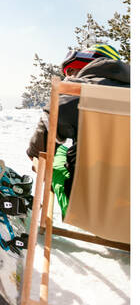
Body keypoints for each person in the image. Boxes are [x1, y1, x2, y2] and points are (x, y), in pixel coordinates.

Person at [26, 40, 129, 212]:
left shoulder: (78, 93)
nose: (71, 77)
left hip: (90, 210)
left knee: (56, 154)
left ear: (87, 66)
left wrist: (34, 154)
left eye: (73, 71)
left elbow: (41, 144)